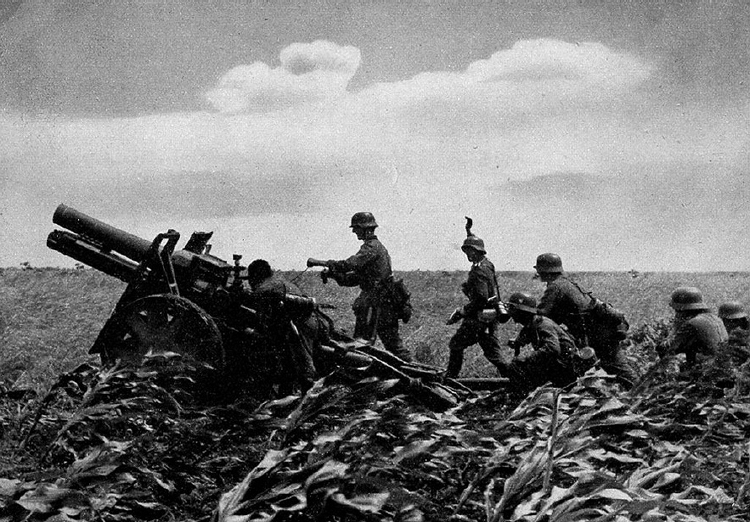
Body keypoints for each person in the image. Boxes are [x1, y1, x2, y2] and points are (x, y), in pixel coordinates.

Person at [315, 213, 412, 361]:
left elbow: (349, 264)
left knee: (362, 343)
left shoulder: (372, 247)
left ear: (365, 228)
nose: (354, 231)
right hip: (382, 304)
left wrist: (324, 263)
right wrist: (332, 274)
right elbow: (353, 279)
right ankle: (411, 369)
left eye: (356, 228)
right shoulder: (375, 248)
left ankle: (411, 370)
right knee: (390, 345)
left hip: (378, 304)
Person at [534, 253, 637, 388]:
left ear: (544, 270)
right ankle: (640, 390)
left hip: (597, 335)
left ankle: (642, 391)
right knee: (617, 368)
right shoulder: (566, 283)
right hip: (601, 332)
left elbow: (541, 315)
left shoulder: (556, 286)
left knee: (617, 369)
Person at [444, 218, 509, 379]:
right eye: (466, 251)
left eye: (470, 251)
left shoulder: (479, 271)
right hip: (489, 316)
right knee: (493, 352)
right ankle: (514, 377)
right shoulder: (487, 264)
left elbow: (481, 298)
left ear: (477, 251)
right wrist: (468, 231)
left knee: (456, 344)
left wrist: (462, 311)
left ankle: (450, 379)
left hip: (478, 317)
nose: (468, 254)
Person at [243, 259, 319, 393]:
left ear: (255, 276)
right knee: (291, 363)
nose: (250, 283)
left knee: (301, 362)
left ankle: (308, 394)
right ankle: (288, 393)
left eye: (250, 279)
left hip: (298, 325)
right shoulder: (279, 282)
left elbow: (263, 316)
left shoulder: (265, 288)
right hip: (307, 322)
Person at [495, 292, 580, 395]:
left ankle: (521, 395)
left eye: (514, 309)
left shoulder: (543, 325)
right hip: (560, 364)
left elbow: (553, 349)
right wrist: (517, 342)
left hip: (566, 368)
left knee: (516, 367)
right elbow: (524, 336)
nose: (511, 313)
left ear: (523, 312)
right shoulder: (532, 323)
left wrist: (526, 359)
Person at [665, 286, 728, 367]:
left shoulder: (691, 324)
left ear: (681, 310)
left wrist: (674, 329)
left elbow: (669, 350)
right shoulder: (716, 318)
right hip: (722, 363)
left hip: (707, 368)